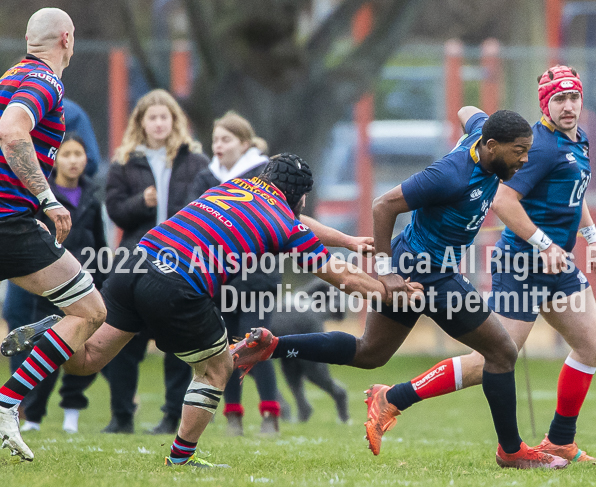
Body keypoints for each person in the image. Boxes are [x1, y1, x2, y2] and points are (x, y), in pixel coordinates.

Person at [5, 153, 419, 467]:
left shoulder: (232, 188)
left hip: (135, 263)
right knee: (217, 369)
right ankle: (181, 458)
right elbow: (343, 279)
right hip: (176, 285)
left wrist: (345, 239)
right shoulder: (283, 223)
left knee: (86, 359)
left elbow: (302, 223)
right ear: (301, 197)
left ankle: (54, 329)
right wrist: (388, 291)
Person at [234, 109, 571, 470]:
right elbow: (384, 205)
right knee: (502, 352)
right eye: (519, 151)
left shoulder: (483, 137)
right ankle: (511, 451)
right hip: (427, 273)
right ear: (491, 146)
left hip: (417, 264)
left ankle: (272, 346)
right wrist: (385, 271)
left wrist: (479, 126)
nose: (524, 159)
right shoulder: (451, 174)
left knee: (370, 353)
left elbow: (467, 112)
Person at [344, 66, 596, 463]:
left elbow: (575, 192)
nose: (568, 106)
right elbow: (503, 201)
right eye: (559, 99)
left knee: (593, 342)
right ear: (545, 104)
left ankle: (559, 441)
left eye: (573, 98)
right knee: (493, 359)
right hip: (522, 265)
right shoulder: (539, 148)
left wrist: (592, 238)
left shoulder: (577, 141)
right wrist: (542, 242)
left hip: (557, 265)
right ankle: (392, 397)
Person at [0, 8, 107, 461]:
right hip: (10, 224)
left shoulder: (10, 75)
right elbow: (11, 131)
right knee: (89, 312)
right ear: (68, 38)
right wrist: (47, 198)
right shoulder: (46, 82)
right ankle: (7, 404)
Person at [103, 88, 209, 434]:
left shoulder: (195, 162)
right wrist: (141, 202)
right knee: (123, 342)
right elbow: (115, 211)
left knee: (179, 344)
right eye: (153, 117)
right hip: (135, 261)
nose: (160, 123)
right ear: (141, 122)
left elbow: (209, 208)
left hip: (180, 262)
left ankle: (171, 418)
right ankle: (121, 416)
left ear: (175, 121)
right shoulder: (124, 161)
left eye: (165, 116)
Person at [191, 111, 281, 435]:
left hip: (258, 275)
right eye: (215, 139)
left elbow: (274, 221)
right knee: (226, 347)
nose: (218, 146)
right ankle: (233, 416)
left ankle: (270, 413)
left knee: (254, 342)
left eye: (226, 139)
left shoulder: (263, 173)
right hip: (220, 278)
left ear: (244, 143)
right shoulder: (206, 178)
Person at [16, 134, 107, 433]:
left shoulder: (93, 195)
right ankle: (34, 414)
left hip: (85, 284)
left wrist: (103, 277)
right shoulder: (42, 197)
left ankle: (72, 412)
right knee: (45, 349)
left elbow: (101, 242)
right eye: (65, 154)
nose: (72, 160)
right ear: (55, 161)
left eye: (78, 154)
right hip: (49, 286)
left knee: (81, 349)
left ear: (85, 159)